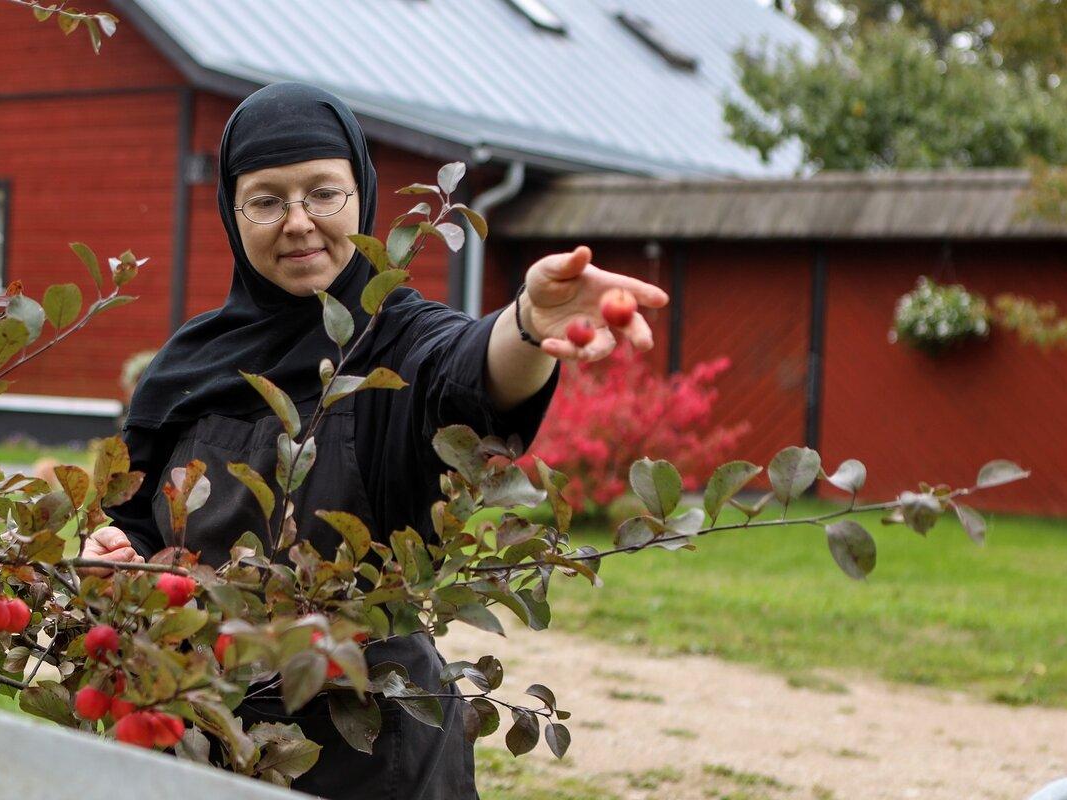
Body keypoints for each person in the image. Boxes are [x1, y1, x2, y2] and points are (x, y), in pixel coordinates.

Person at [82, 82, 666, 800]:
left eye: (323, 193)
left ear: (362, 195)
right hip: (197, 727)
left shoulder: (400, 340)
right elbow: (132, 522)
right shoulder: (188, 364)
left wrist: (524, 327)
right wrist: (115, 557)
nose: (298, 222)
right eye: (266, 200)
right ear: (232, 216)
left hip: (373, 746)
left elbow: (467, 375)